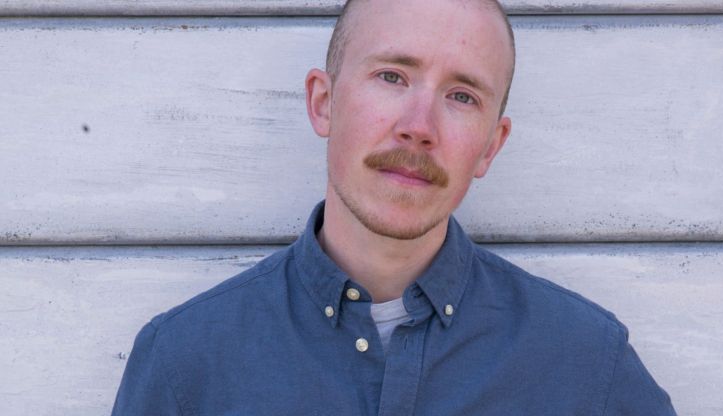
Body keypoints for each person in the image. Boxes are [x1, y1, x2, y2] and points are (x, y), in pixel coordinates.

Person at [112, 0, 677, 414]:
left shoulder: (585, 364)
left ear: (489, 146)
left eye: (461, 96)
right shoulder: (187, 362)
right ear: (323, 102)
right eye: (391, 76)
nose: (418, 128)